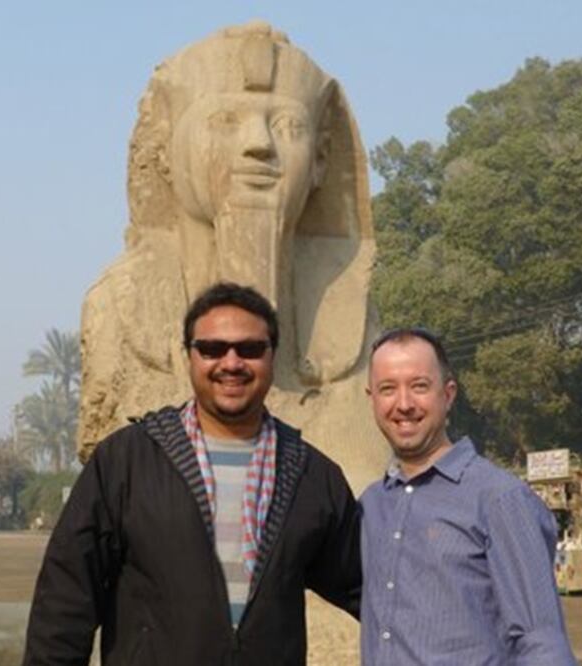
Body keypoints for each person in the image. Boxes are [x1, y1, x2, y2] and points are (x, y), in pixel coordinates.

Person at [79, 21, 387, 492]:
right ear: (163, 150)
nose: (258, 145)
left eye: (286, 125)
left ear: (321, 159)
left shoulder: (359, 327)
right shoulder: (113, 310)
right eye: (224, 121)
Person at [23, 282, 360, 666]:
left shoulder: (311, 474)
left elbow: (366, 586)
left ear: (272, 356)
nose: (231, 363)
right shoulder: (126, 462)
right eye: (212, 348)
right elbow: (66, 597)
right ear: (189, 357)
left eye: (249, 349)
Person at [359, 328, 576, 665]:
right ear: (371, 398)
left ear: (448, 394)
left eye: (419, 386)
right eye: (388, 389)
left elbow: (541, 643)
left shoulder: (500, 499)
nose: (403, 405)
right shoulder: (373, 505)